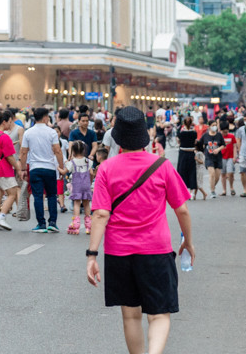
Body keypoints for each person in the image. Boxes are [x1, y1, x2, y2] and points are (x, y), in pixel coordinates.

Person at [86, 107, 193, 354]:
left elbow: (100, 214)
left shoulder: (106, 169)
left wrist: (92, 255)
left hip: (119, 253)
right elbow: (182, 210)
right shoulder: (162, 166)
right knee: (159, 315)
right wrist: (188, 240)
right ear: (145, 135)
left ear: (118, 138)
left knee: (131, 316)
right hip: (156, 250)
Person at [19, 107, 66, 233]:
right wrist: (61, 167)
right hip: (50, 168)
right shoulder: (52, 132)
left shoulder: (28, 133)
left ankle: (41, 224)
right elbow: (57, 150)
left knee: (38, 196)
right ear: (45, 117)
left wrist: (23, 169)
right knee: (51, 195)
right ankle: (52, 223)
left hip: (34, 168)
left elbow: (23, 152)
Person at [66, 140, 93, 235]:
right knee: (86, 204)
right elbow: (91, 173)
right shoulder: (87, 161)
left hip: (77, 186)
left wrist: (59, 168)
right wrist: (90, 181)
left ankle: (76, 224)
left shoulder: (72, 162)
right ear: (84, 150)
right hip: (86, 185)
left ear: (73, 151)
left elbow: (64, 171)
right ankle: (89, 225)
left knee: (77, 203)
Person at [175, 118, 198, 198]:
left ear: (183, 124)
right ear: (191, 123)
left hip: (183, 153)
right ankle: (192, 192)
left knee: (182, 171)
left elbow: (178, 141)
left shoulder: (180, 133)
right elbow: (195, 142)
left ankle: (183, 191)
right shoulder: (194, 133)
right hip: (191, 152)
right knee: (192, 171)